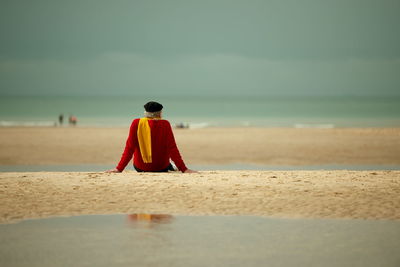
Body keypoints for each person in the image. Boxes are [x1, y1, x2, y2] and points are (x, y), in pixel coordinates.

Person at [107, 101, 196, 173]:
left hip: (140, 167)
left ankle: (171, 166)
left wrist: (119, 169)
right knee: (169, 164)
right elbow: (172, 149)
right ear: (159, 113)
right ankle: (173, 166)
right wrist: (184, 169)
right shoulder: (165, 124)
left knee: (167, 163)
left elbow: (129, 148)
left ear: (145, 113)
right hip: (161, 168)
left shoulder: (136, 123)